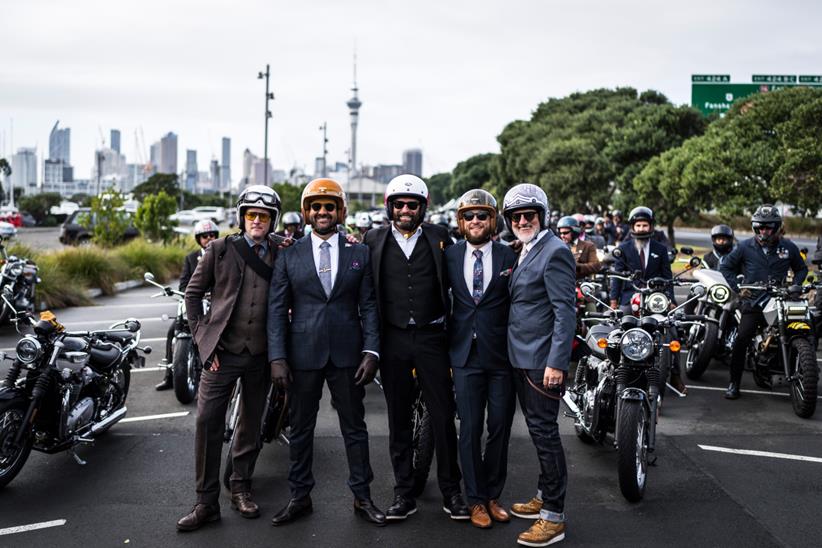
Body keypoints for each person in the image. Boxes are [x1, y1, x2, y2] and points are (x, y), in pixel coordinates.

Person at [267, 178, 384, 527]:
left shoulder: (358, 252)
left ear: (340, 211)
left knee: (355, 429)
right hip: (302, 356)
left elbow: (370, 306)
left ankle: (362, 497)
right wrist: (277, 357)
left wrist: (372, 351)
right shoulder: (289, 256)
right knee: (301, 429)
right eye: (316, 207)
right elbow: (276, 310)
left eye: (329, 207)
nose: (322, 212)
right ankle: (299, 496)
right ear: (306, 213)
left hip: (349, 356)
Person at [362, 174, 469, 522]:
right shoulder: (372, 239)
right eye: (399, 204)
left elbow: (468, 261)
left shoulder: (440, 237)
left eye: (412, 204)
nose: (405, 210)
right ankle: (403, 493)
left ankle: (452, 492)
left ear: (423, 207)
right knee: (398, 419)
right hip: (392, 339)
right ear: (389, 206)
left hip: (432, 337)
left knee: (442, 416)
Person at [176, 185, 282, 532]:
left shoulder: (283, 251)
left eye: (263, 216)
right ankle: (205, 502)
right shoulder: (220, 249)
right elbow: (192, 296)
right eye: (251, 215)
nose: (257, 221)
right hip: (222, 354)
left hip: (261, 355)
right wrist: (203, 342)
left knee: (251, 423)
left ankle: (240, 488)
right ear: (242, 218)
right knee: (207, 421)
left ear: (272, 221)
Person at [503, 183, 575, 547]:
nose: (522, 221)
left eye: (529, 215)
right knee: (537, 432)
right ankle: (544, 495)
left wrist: (556, 363)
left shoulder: (555, 251)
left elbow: (565, 312)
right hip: (521, 356)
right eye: (516, 216)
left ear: (542, 216)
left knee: (546, 436)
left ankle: (554, 517)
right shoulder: (528, 249)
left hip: (541, 362)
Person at [445, 189, 517, 530]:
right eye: (470, 216)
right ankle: (474, 499)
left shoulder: (510, 256)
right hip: (463, 355)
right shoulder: (448, 255)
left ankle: (492, 495)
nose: (476, 221)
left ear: (493, 221)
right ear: (461, 222)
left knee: (500, 428)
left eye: (483, 215)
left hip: (502, 355)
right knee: (469, 430)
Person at [719, 205, 807, 399]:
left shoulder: (789, 247)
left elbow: (801, 269)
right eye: (760, 227)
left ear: (777, 227)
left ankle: (801, 374)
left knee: (800, 331)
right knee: (742, 339)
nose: (764, 231)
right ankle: (734, 383)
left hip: (780, 300)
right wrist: (738, 287)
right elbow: (726, 267)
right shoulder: (744, 246)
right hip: (753, 302)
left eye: (768, 227)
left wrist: (797, 285)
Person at [609, 206, 685, 393]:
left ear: (651, 226)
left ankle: (675, 374)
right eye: (638, 225)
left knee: (672, 331)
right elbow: (616, 276)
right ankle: (615, 371)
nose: (642, 228)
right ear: (633, 227)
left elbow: (668, 278)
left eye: (645, 225)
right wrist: (613, 301)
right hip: (629, 298)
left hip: (655, 300)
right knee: (620, 328)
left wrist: (671, 300)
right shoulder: (624, 249)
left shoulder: (660, 249)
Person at [156, 219, 219, 391]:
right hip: (194, 304)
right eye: (205, 236)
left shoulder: (222, 255)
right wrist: (191, 293)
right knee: (171, 332)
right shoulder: (191, 258)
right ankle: (170, 376)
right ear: (198, 238)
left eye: (212, 235)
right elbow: (184, 283)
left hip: (214, 306)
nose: (209, 238)